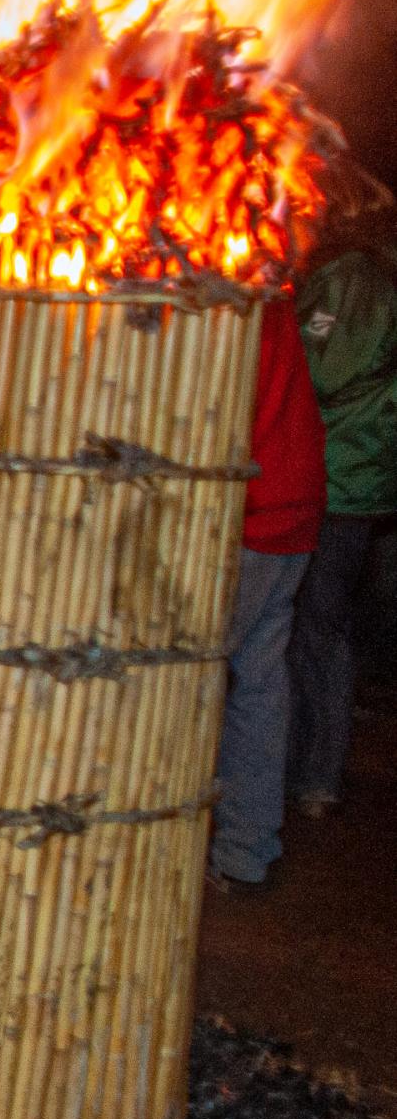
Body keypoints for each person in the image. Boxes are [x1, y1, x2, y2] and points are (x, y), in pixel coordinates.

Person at [290, 166, 397, 822]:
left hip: (340, 475)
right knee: (320, 626)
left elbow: (322, 370)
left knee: (318, 628)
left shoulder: (353, 279)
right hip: (356, 471)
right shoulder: (369, 275)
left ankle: (315, 773)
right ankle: (313, 770)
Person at [209, 300, 327, 892]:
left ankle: (173, 837)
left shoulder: (224, 300)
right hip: (293, 506)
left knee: (193, 682)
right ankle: (246, 849)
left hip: (247, 513)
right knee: (258, 680)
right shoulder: (269, 298)